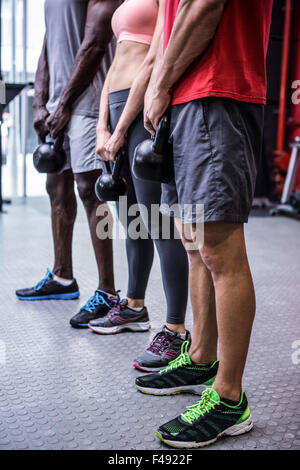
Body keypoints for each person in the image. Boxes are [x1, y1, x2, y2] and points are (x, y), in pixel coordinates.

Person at [135, 0, 273, 448]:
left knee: (219, 247)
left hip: (217, 88)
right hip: (185, 93)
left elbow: (206, 6)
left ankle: (230, 396)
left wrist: (158, 84)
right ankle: (200, 357)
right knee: (193, 241)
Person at [88, 0, 190, 372]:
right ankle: (134, 306)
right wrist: (103, 125)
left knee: (158, 220)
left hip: (142, 106)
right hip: (116, 106)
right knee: (131, 218)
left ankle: (176, 328)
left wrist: (119, 129)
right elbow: (114, 65)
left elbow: (153, 60)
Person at [16, 0, 123, 328]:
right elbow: (49, 43)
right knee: (56, 186)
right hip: (58, 101)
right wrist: (41, 101)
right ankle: (63, 277)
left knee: (90, 190)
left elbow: (94, 43)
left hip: (88, 99)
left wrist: (63, 103)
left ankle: (107, 292)